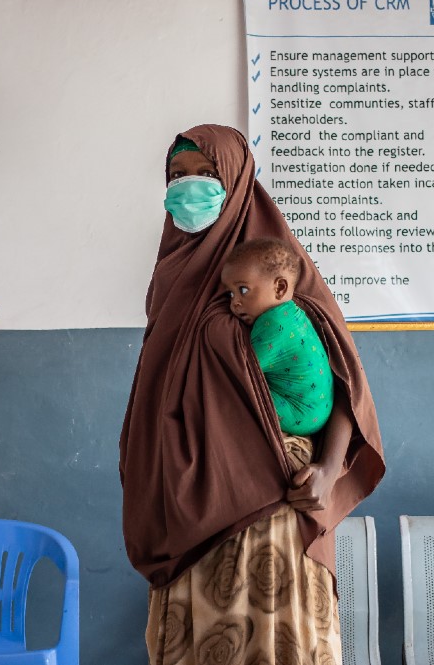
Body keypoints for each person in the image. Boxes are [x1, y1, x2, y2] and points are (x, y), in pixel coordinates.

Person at [120, 126, 386, 665]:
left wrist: (331, 469)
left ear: (238, 181)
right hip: (188, 506)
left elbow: (340, 390)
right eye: (177, 176)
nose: (188, 188)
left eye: (206, 174)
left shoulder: (280, 271)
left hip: (274, 503)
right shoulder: (171, 278)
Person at [220, 238, 333, 437]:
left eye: (243, 290)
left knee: (232, 396)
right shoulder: (291, 314)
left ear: (280, 288)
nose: (234, 303)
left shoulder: (273, 324)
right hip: (319, 409)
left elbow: (244, 371)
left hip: (300, 414)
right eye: (230, 294)